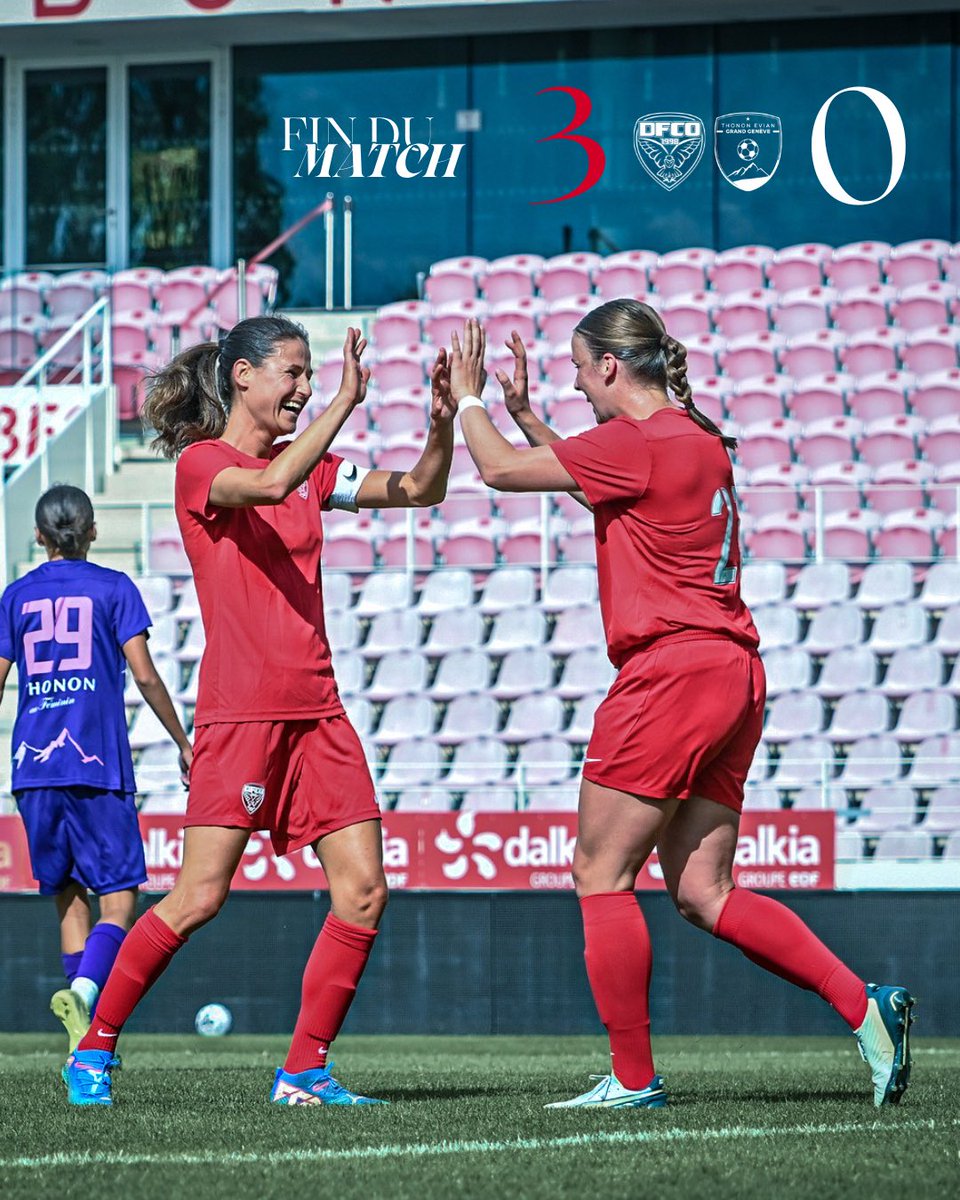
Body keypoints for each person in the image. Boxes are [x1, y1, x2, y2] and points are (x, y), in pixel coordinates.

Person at [449, 305, 914, 1110]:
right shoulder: (692, 438)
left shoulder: (638, 442)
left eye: (577, 368)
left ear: (608, 370)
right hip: (733, 672)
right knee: (704, 892)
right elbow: (600, 477)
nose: (571, 381)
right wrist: (527, 412)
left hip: (669, 672)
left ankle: (632, 1080)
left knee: (600, 872)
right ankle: (866, 1008)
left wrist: (469, 400)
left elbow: (497, 471)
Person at [62, 314, 456, 1107]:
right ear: (242, 376)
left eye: (312, 375)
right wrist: (345, 400)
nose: (304, 388)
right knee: (200, 895)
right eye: (293, 373)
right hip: (241, 715)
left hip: (320, 712)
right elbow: (271, 485)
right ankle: (93, 1049)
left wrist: (442, 428)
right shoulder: (203, 466)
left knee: (365, 892)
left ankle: (304, 1070)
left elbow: (419, 490)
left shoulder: (308, 467)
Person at [0, 485, 192, 1053]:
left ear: (39, 536)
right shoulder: (113, 587)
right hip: (96, 762)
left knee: (66, 895)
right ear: (91, 532)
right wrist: (182, 741)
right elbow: (147, 675)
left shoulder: (15, 595)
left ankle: (80, 1030)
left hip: (33, 768)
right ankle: (85, 995)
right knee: (120, 898)